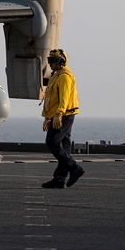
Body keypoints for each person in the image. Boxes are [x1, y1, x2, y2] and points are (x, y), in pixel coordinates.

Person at [40, 48, 85, 188]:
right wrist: (48, 117)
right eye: (49, 60)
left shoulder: (65, 76)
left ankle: (75, 169)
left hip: (64, 115)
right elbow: (51, 98)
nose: (50, 64)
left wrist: (58, 114)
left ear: (61, 61)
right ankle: (59, 179)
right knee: (64, 145)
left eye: (52, 61)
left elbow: (64, 98)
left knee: (52, 142)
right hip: (59, 115)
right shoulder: (56, 75)